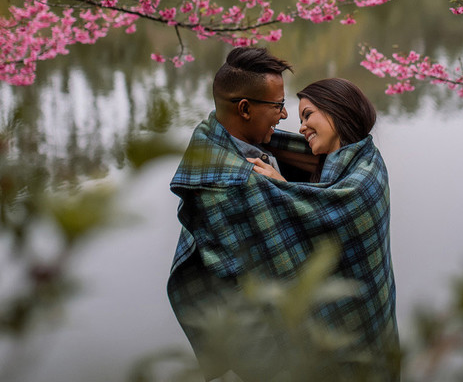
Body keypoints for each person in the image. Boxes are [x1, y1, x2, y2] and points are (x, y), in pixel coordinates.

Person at [167, 51, 398, 381]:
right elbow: (236, 283)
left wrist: (283, 188)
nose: (287, 116)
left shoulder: (360, 168)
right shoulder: (228, 184)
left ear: (338, 113)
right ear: (245, 109)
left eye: (305, 113)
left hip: (362, 326)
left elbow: (319, 216)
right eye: (278, 106)